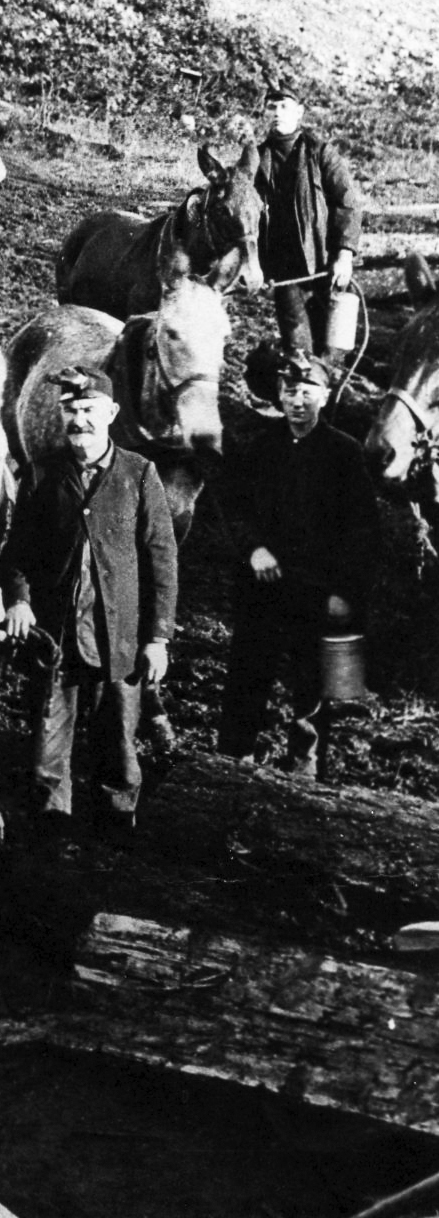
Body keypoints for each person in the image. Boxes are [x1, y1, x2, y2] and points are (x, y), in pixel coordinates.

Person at [0, 366, 178, 846]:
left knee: (118, 740)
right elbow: (16, 554)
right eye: (72, 411)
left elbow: (162, 559)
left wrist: (158, 638)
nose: (80, 420)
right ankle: (51, 834)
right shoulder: (41, 474)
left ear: (111, 414)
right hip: (57, 637)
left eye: (89, 410)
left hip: (118, 636)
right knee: (46, 742)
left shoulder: (139, 474)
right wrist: (18, 601)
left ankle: (116, 830)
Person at [218, 352, 381, 779]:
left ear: (324, 397)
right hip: (262, 588)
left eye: (308, 391)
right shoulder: (261, 445)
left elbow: (363, 530)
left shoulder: (344, 454)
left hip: (316, 592)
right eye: (290, 391)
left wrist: (342, 592)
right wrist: (253, 548)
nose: (298, 401)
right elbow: (235, 507)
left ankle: (305, 776)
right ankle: (232, 765)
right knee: (246, 676)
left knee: (312, 687)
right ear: (279, 395)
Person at [254, 81, 366, 367]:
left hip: (324, 266)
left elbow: (347, 203)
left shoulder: (320, 152)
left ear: (299, 113)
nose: (277, 113)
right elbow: (246, 215)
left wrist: (344, 255)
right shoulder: (257, 158)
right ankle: (300, 406)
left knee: (331, 347)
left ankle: (329, 404)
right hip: (285, 272)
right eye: (271, 107)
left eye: (284, 107)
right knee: (298, 348)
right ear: (264, 113)